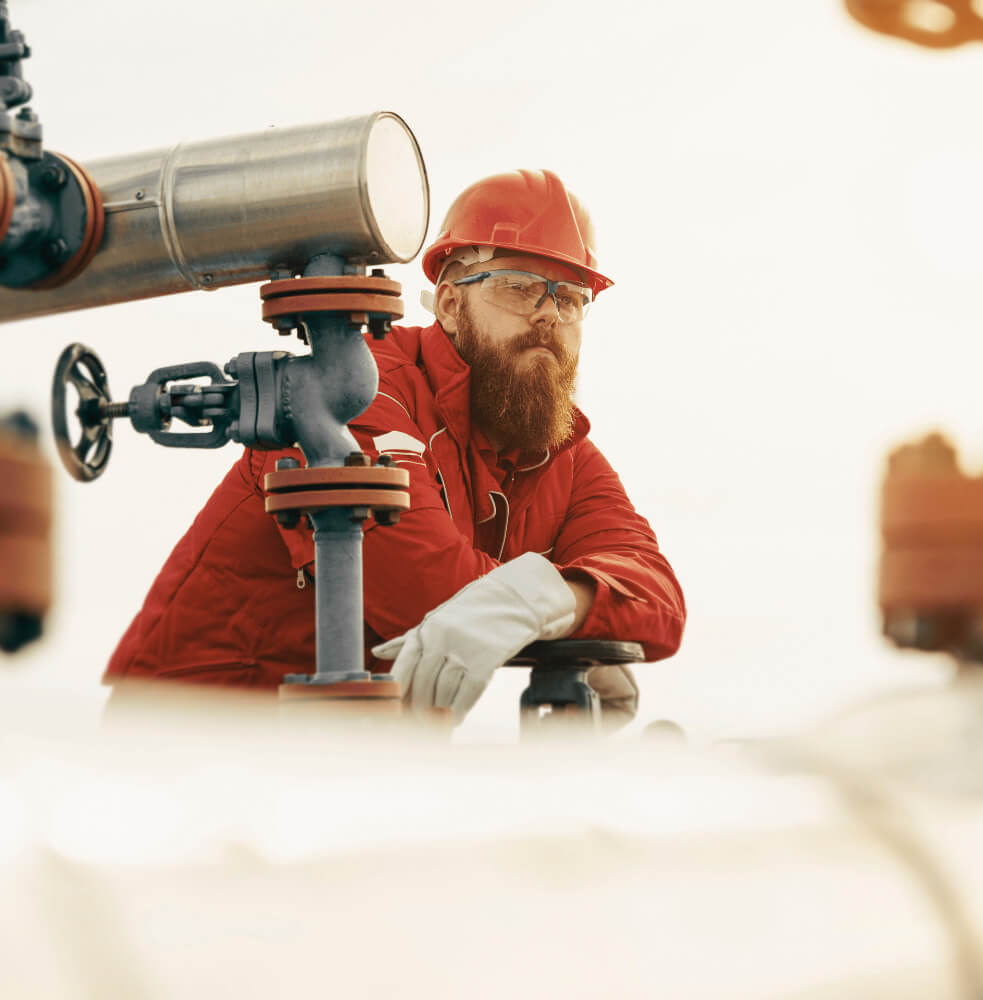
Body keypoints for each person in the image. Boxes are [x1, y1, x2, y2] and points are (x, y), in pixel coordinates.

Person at [104, 169, 685, 725]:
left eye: (571, 298)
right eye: (520, 287)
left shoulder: (560, 449)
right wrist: (565, 610)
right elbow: (425, 596)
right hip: (179, 748)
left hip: (349, 763)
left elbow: (658, 596)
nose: (548, 315)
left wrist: (560, 602)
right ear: (452, 304)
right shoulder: (354, 393)